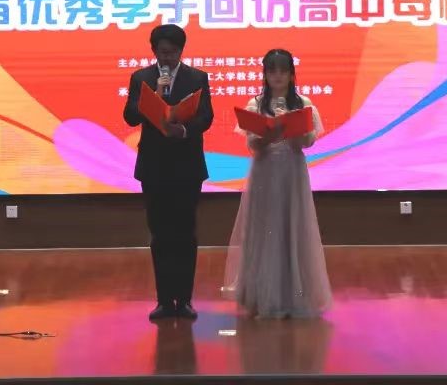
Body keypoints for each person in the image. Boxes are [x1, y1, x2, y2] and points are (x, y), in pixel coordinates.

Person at [222, 48, 332, 319]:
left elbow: (308, 142)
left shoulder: (303, 103)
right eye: (272, 71)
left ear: (292, 74)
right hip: (265, 170)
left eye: (283, 71)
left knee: (293, 226)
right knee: (265, 228)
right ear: (265, 75)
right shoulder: (256, 103)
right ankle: (262, 296)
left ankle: (294, 296)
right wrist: (270, 135)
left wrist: (292, 129)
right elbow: (253, 145)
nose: (278, 76)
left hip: (292, 170)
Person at [123, 24, 214, 321]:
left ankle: (184, 300)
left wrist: (183, 129)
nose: (167, 58)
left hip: (187, 166)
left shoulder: (197, 78)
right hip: (154, 166)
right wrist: (153, 98)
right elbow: (129, 117)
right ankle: (164, 301)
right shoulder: (142, 78)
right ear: (153, 51)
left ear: (181, 51)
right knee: (160, 234)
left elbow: (206, 117)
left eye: (173, 53)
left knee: (185, 234)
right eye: (162, 53)